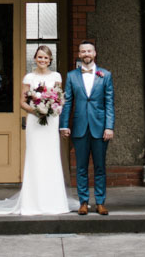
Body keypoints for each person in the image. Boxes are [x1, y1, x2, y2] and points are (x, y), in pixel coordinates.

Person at [0, 45, 73, 215]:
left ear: (50, 60)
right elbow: (22, 102)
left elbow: (58, 98)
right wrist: (37, 110)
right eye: (39, 57)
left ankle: (54, 201)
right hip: (35, 123)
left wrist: (52, 108)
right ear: (35, 59)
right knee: (35, 157)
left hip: (51, 122)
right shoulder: (29, 77)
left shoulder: (56, 76)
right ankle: (32, 202)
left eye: (45, 58)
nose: (42, 60)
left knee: (51, 158)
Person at [59, 41, 115, 215]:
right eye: (83, 51)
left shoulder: (105, 75)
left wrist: (109, 126)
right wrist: (63, 125)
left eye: (89, 51)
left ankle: (100, 202)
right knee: (81, 167)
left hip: (100, 128)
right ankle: (83, 202)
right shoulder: (71, 76)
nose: (86, 54)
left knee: (100, 167)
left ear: (94, 53)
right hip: (80, 127)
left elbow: (109, 103)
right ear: (79, 54)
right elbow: (67, 102)